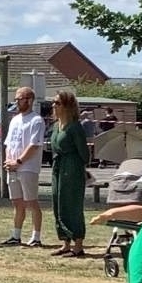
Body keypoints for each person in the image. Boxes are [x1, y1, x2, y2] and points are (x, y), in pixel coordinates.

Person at [1, 86, 46, 247]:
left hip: (28, 168)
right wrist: (8, 161)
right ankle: (16, 235)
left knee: (31, 202)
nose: (17, 102)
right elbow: (8, 143)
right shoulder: (15, 120)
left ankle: (36, 236)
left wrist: (18, 161)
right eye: (16, 99)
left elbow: (34, 145)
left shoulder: (36, 120)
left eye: (19, 99)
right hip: (12, 168)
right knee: (17, 202)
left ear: (29, 100)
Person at [49, 90, 89, 258]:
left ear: (67, 106)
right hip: (58, 166)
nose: (54, 105)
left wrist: (79, 168)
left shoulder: (75, 127)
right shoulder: (56, 126)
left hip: (72, 167)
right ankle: (65, 242)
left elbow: (84, 154)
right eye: (53, 102)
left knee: (72, 204)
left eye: (58, 103)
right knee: (58, 201)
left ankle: (78, 244)